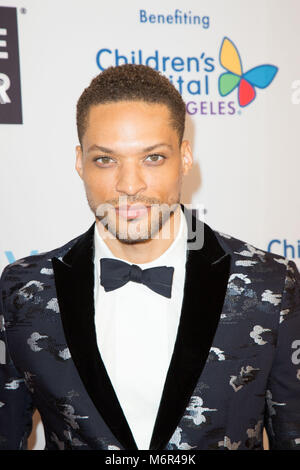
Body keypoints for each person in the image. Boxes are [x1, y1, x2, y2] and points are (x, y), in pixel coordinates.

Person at [0, 64, 300, 451]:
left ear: (185, 157)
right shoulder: (23, 291)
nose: (129, 185)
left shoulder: (270, 284)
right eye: (105, 159)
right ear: (80, 162)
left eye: (153, 157)